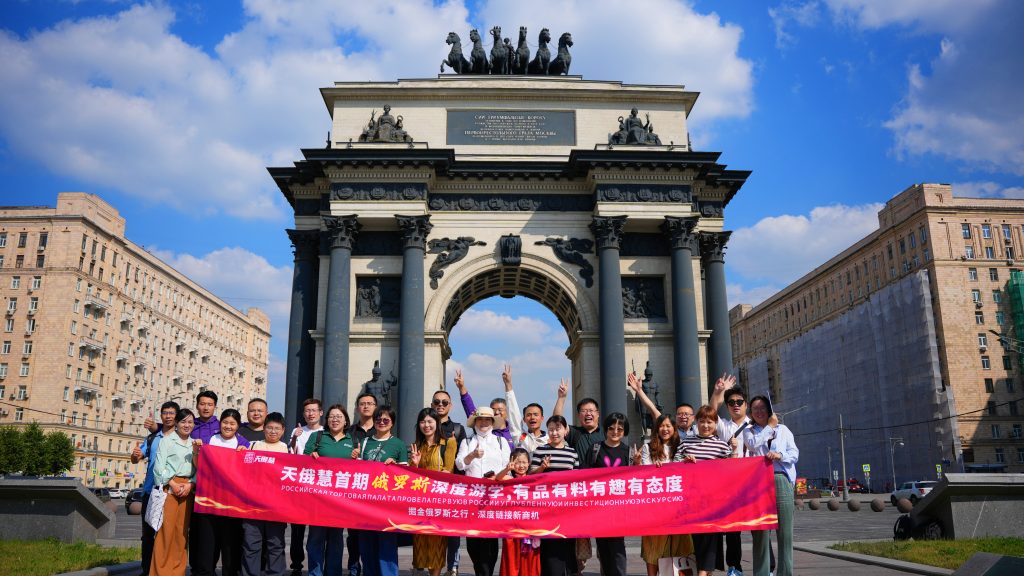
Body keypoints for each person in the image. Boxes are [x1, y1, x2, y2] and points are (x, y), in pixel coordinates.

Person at [675, 406, 735, 576]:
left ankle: (702, 573)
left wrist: (734, 452)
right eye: (702, 421)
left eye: (710, 422)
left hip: (714, 501)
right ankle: (706, 572)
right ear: (696, 422)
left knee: (711, 536)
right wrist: (685, 461)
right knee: (698, 539)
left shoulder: (722, 445)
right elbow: (674, 465)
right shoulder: (686, 443)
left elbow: (732, 470)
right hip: (691, 501)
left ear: (715, 424)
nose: (706, 425)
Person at [743, 397, 798, 576]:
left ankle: (785, 572)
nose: (759, 412)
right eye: (755, 408)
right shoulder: (749, 431)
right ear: (751, 412)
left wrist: (780, 455)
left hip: (780, 477)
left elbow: (794, 453)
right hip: (759, 481)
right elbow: (753, 445)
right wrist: (769, 427)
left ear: (769, 410)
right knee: (761, 532)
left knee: (785, 533)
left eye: (762, 408)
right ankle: (761, 573)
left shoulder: (783, 430)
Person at [552, 379, 600, 575]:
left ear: (598, 414)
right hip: (579, 494)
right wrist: (562, 398)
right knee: (578, 537)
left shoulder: (606, 434)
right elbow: (557, 422)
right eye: (584, 411)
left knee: (606, 539)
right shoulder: (575, 434)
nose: (588, 414)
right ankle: (578, 569)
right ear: (579, 415)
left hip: (601, 493)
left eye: (591, 410)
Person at [457, 406, 511, 576]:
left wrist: (497, 477)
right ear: (475, 422)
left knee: (490, 542)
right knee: (473, 543)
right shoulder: (467, 442)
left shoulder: (501, 442)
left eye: (488, 420)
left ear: (493, 422)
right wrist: (472, 455)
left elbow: (508, 468)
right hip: (472, 498)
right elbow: (459, 464)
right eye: (480, 419)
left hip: (493, 498)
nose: (484, 423)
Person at [355, 406, 407, 576]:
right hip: (366, 502)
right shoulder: (365, 442)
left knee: (387, 545)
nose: (381, 422)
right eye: (378, 419)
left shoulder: (398, 444)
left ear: (392, 423)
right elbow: (358, 470)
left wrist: (395, 466)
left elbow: (405, 476)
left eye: (386, 420)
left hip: (387, 504)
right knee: (367, 546)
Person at [197, 409, 249, 576]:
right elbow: (198, 463)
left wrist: (245, 454)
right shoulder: (209, 440)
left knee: (230, 543)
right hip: (208, 498)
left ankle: (230, 572)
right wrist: (196, 450)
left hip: (232, 501)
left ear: (238, 426)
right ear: (220, 423)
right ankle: (206, 572)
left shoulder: (243, 443)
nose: (228, 426)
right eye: (225, 422)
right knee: (207, 542)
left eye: (232, 423)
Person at [305, 404, 356, 576]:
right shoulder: (317, 437)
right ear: (326, 420)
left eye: (339, 417)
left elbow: (359, 469)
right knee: (315, 539)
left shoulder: (353, 441)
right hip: (318, 498)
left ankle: (333, 573)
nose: (335, 420)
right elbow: (302, 462)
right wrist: (311, 457)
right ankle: (315, 573)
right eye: (332, 416)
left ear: (346, 421)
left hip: (340, 500)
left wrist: (357, 459)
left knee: (336, 539)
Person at [638, 415, 692, 576]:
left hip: (677, 506)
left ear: (674, 429)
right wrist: (654, 469)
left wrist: (689, 461)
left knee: (679, 544)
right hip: (654, 506)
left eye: (668, 426)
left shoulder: (681, 447)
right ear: (656, 429)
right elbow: (644, 473)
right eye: (662, 426)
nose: (665, 429)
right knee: (653, 544)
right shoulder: (648, 447)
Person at [131, 401, 178, 576]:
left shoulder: (181, 438)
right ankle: (147, 570)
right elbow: (136, 458)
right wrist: (135, 455)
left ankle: (165, 570)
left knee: (168, 535)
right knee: (148, 535)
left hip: (172, 493)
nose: (168, 416)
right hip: (151, 492)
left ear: (176, 416)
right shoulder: (152, 438)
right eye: (165, 413)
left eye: (172, 413)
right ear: (161, 416)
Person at [240, 411, 290, 576]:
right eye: (269, 428)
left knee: (275, 545)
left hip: (276, 507)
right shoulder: (253, 446)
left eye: (277, 428)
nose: (273, 431)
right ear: (264, 428)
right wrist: (240, 452)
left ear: (283, 430)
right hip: (252, 505)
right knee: (251, 545)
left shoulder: (288, 450)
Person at [409, 408, 457, 576]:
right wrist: (415, 464)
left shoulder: (448, 443)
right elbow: (412, 476)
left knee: (437, 543)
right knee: (421, 544)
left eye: (430, 421)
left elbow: (448, 470)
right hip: (421, 502)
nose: (426, 425)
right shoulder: (418, 445)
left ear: (437, 423)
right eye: (423, 422)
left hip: (438, 501)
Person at [150, 408, 197, 576]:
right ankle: (160, 572)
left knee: (181, 533)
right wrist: (172, 484)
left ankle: (177, 572)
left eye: (190, 422)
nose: (187, 425)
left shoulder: (195, 443)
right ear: (176, 423)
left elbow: (199, 468)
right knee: (165, 531)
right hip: (169, 487)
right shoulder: (167, 441)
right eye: (183, 421)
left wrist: (191, 484)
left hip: (187, 489)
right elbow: (158, 468)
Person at [529, 415, 578, 576]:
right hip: (546, 509)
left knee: (567, 545)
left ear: (565, 430)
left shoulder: (572, 452)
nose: (554, 433)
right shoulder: (540, 450)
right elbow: (530, 476)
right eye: (551, 429)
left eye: (558, 429)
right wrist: (542, 468)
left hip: (567, 508)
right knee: (549, 546)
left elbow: (578, 479)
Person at [709, 376, 744, 576]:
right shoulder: (725, 427)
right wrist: (718, 392)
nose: (735, 405)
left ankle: (768, 568)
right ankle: (734, 567)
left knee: (761, 528)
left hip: (752, 482)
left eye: (739, 401)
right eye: (731, 402)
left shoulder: (755, 425)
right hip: (730, 485)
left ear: (746, 404)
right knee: (732, 529)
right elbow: (711, 412)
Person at [431, 388, 467, 576]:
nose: (440, 405)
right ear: (432, 405)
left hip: (452, 487)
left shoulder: (458, 429)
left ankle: (452, 566)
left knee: (453, 530)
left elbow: (462, 459)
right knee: (430, 528)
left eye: (444, 402)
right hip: (430, 487)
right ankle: (430, 565)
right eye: (437, 402)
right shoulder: (426, 425)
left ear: (450, 406)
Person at [590, 413, 630, 576]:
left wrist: (637, 464)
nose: (615, 432)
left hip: (619, 509)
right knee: (603, 549)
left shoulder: (628, 452)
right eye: (611, 428)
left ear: (625, 431)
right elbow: (584, 475)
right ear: (605, 429)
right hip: (599, 508)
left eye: (620, 429)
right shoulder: (595, 449)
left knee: (617, 547)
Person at [290, 398, 325, 576]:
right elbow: (291, 454)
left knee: (317, 529)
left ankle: (317, 565)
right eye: (307, 411)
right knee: (297, 529)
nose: (310, 414)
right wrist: (294, 438)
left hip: (319, 485)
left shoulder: (325, 432)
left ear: (321, 412)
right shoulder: (297, 431)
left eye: (314, 410)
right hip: (300, 484)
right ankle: (296, 564)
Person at [495, 448, 539, 576]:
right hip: (512, 526)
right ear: (512, 463)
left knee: (529, 560)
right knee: (511, 558)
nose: (521, 465)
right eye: (518, 462)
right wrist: (506, 469)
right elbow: (498, 478)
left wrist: (542, 467)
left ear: (529, 463)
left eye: (524, 462)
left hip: (529, 527)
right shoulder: (509, 478)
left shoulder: (533, 479)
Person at [348, 392, 378, 576]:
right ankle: (353, 568)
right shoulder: (350, 432)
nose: (366, 406)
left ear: (375, 407)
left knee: (373, 534)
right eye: (362, 403)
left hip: (375, 491)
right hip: (354, 489)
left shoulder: (381, 429)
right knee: (353, 535)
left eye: (369, 403)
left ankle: (370, 569)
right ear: (357, 408)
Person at [453, 368, 514, 449]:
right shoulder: (484, 428)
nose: (496, 412)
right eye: (493, 409)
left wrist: (508, 383)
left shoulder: (514, 431)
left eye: (500, 410)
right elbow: (469, 408)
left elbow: (512, 405)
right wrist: (462, 387)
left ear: (507, 412)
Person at [627, 372, 697, 437]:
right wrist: (639, 390)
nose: (683, 416)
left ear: (693, 418)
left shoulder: (698, 431)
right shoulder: (672, 431)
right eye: (680, 414)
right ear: (676, 417)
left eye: (686, 414)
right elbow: (653, 409)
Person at [502, 365, 548, 455]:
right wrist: (508, 384)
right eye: (528, 415)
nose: (532, 417)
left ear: (542, 418)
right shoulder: (520, 436)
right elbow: (513, 413)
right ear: (524, 419)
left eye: (536, 414)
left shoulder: (549, 439)